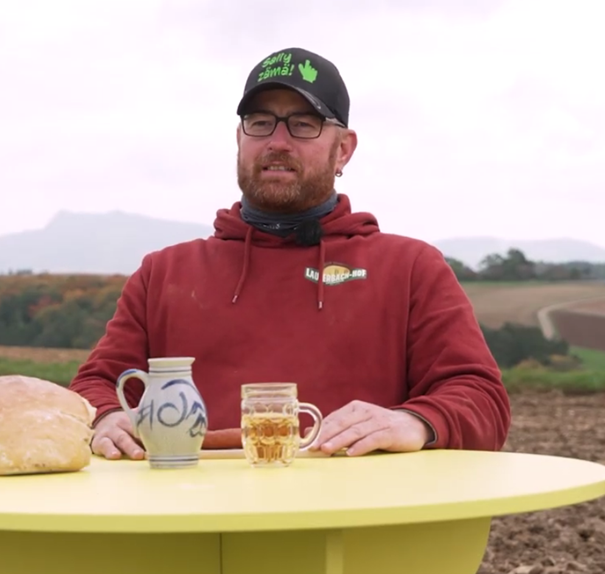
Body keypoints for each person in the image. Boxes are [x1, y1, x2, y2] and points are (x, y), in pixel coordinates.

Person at [69, 47, 511, 461]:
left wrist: (414, 421)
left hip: (354, 525)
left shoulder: (411, 269)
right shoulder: (163, 273)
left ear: (344, 149)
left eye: (303, 124)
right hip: (194, 523)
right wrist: (107, 417)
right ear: (239, 139)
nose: (278, 141)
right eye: (260, 122)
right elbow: (95, 384)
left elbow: (481, 398)